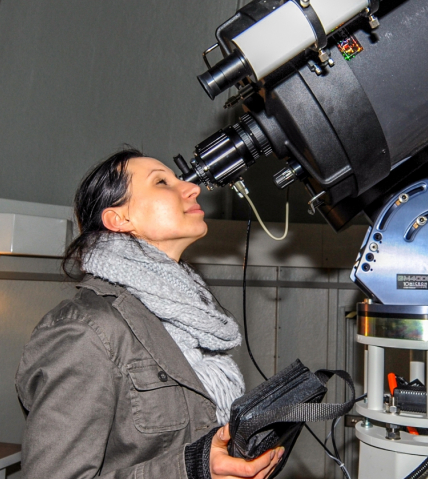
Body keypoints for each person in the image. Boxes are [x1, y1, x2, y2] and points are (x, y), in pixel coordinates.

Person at [16, 148, 284, 479]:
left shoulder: (186, 318)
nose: (192, 187)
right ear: (120, 219)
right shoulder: (86, 329)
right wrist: (192, 470)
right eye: (161, 182)